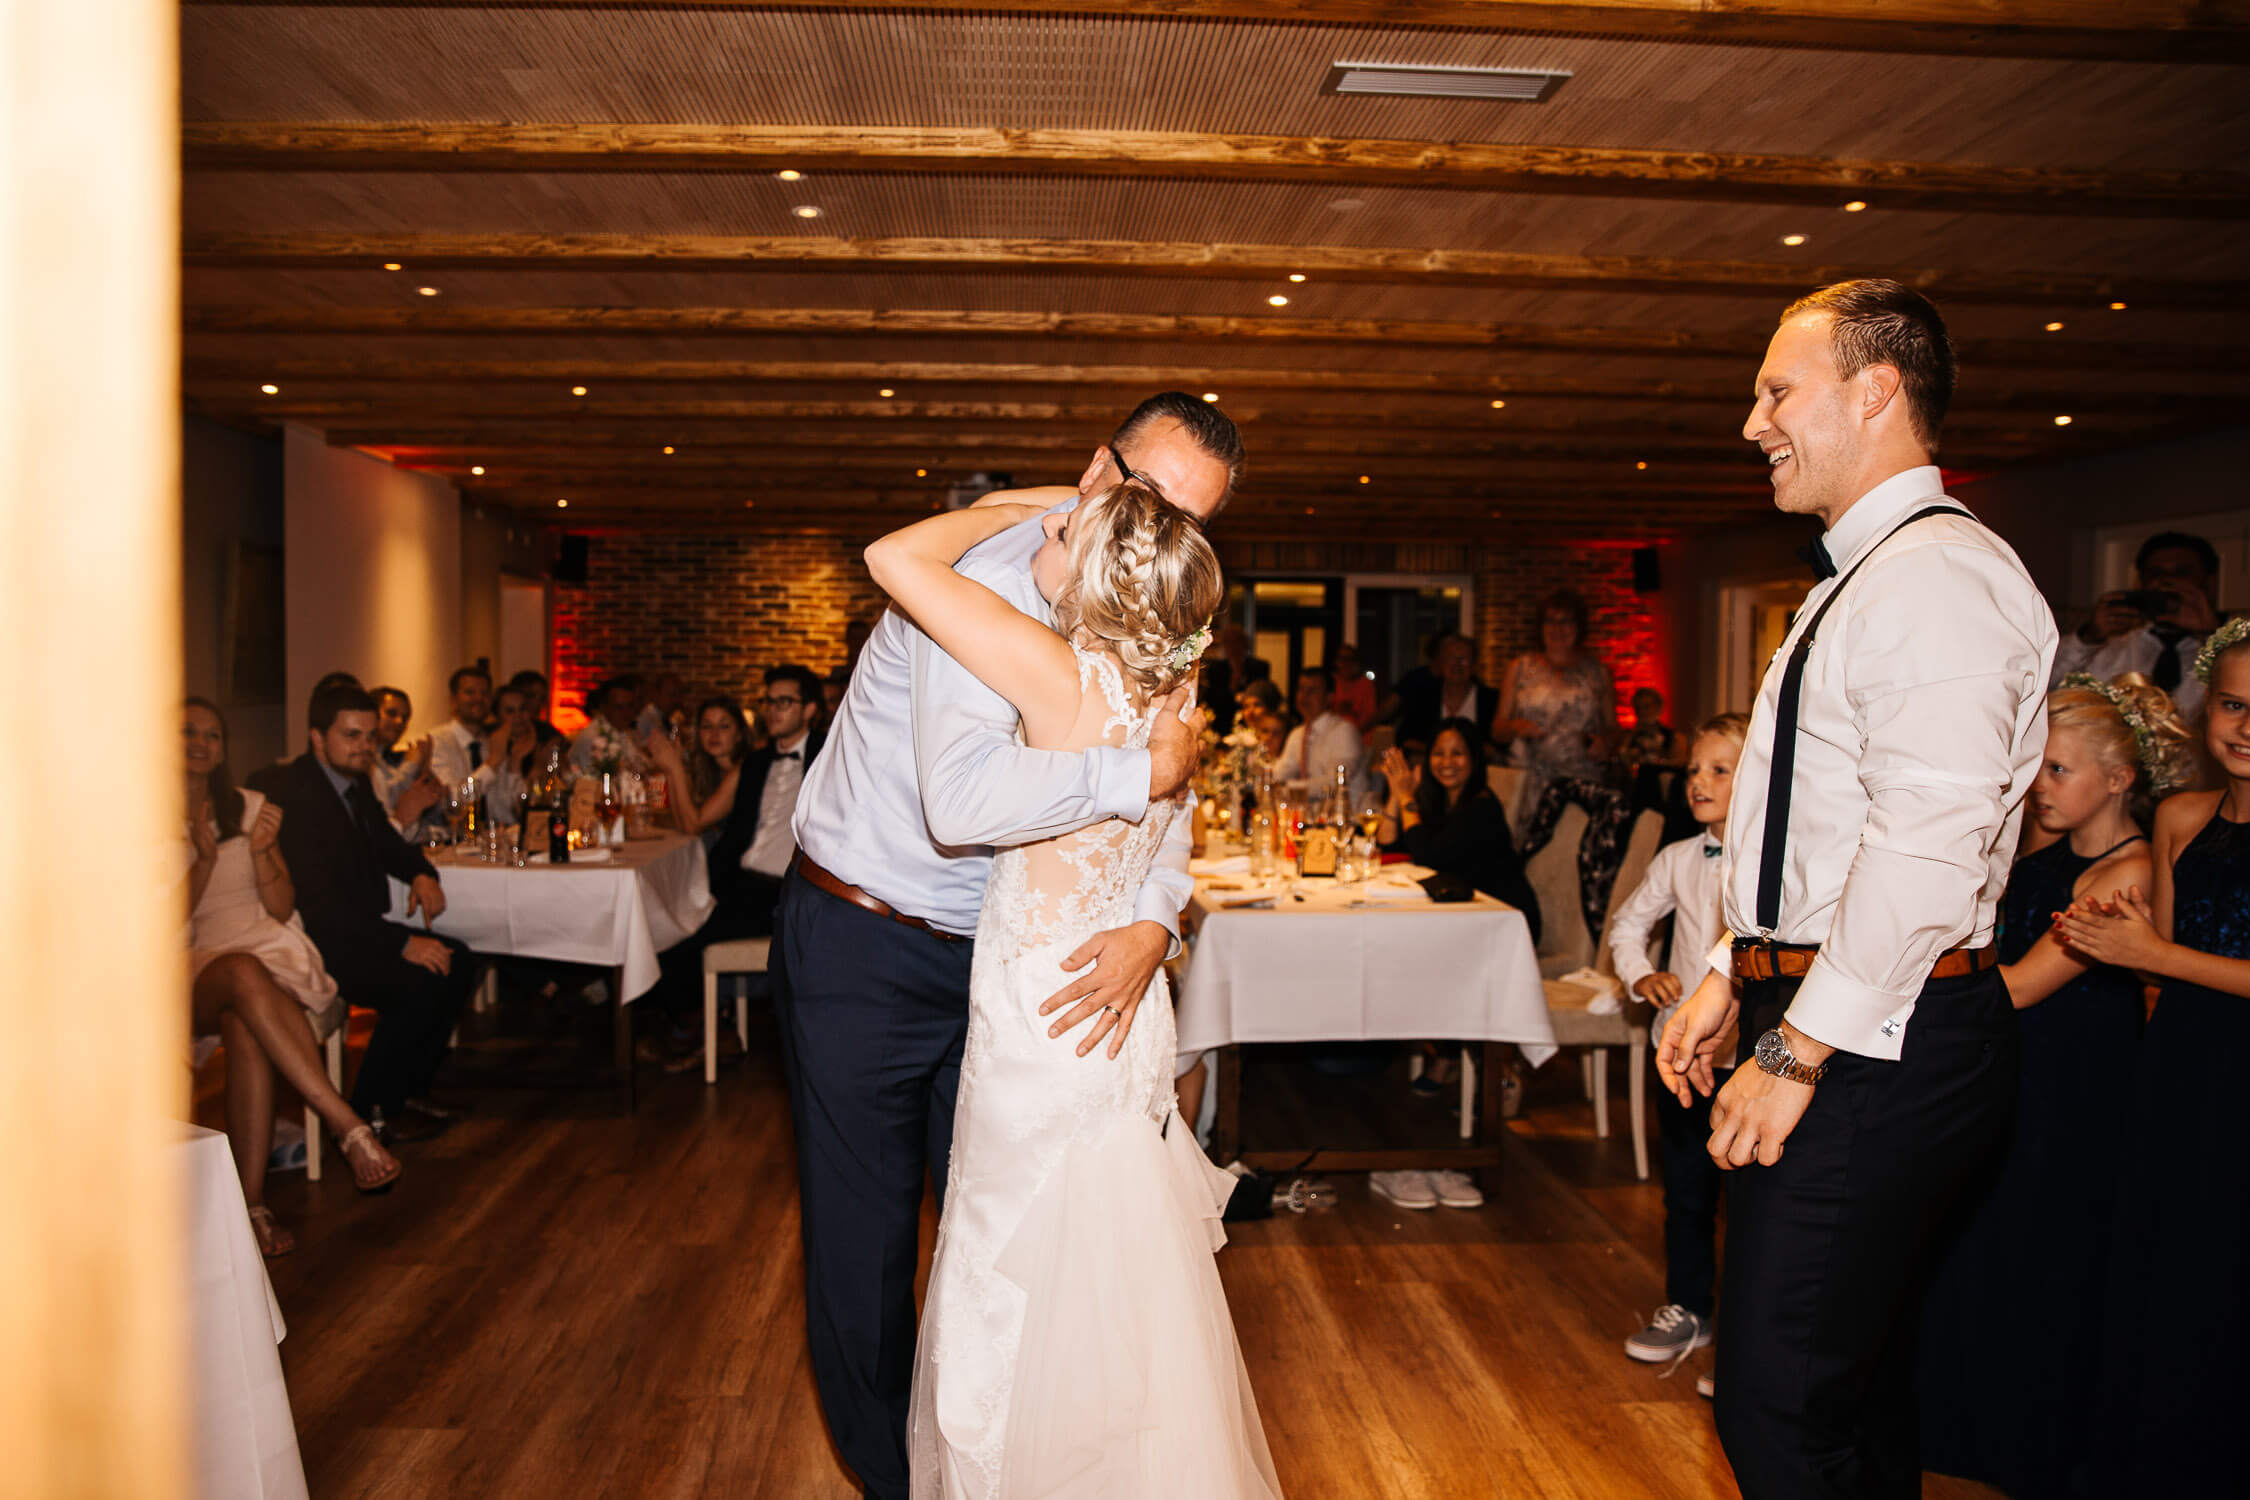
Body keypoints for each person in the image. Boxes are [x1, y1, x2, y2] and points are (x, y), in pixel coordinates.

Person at [778, 391, 1237, 1500]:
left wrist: (1152, 918)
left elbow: (1171, 821)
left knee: (1026, 1253)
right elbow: (964, 802)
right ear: (1095, 475)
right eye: (1150, 500)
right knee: (871, 1250)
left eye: (1194, 521)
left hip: (1016, 976)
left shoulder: (1143, 621)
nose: (1164, 536)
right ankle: (901, 1483)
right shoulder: (979, 589)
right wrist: (1142, 772)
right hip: (868, 942)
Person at [1656, 278, 2057, 1500]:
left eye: (1778, 390)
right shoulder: (1862, 575)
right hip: (1840, 1011)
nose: (1752, 421)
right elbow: (1816, 835)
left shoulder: (1936, 579)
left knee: (1777, 1400)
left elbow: (1927, 849)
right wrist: (1735, 972)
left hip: (1887, 1037)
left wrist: (1797, 1051)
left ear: (1876, 390)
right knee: (1854, 1385)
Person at [864, 478, 1279, 1498]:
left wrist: (999, 501)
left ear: (1093, 577)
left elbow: (893, 560)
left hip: (1045, 1017)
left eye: (1061, 532)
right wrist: (1149, 917)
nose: (1041, 534)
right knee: (1110, 1278)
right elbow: (1170, 823)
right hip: (1123, 1018)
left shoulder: (1057, 674)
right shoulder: (1170, 692)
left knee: (1005, 1256)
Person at [1915, 673, 2187, 1497]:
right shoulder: (2048, 850)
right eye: (2038, 767)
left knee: (2043, 1261)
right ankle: (1964, 1430)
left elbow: (2023, 984)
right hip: (2018, 1073)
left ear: (2120, 779)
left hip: (2074, 1093)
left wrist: (1898, 1002)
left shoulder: (2127, 870)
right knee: (1988, 1248)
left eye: (2059, 770)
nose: (2040, 785)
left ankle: (2026, 1445)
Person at [2053, 620, 2250, 1489]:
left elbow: (2159, 956)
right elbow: (2159, 960)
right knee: (2169, 1268)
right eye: (2235, 704)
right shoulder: (2178, 815)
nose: (2246, 727)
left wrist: (2149, 956)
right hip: (2178, 1068)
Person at [184, 699, 400, 1257]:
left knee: (246, 1021)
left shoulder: (249, 806)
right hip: (182, 962)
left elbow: (280, 906)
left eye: (213, 733)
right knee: (238, 972)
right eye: (188, 732)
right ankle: (346, 1123)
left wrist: (258, 854)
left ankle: (249, 1207)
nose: (202, 742)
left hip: (263, 950)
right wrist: (203, 863)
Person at [248, 682, 478, 1143]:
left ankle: (406, 1090)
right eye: (352, 736)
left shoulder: (352, 783)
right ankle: (367, 1110)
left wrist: (420, 873)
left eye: (369, 737)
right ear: (317, 737)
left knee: (460, 960)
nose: (365, 748)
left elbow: (386, 842)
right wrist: (402, 942)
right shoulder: (295, 793)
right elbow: (316, 903)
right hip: (317, 937)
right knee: (418, 980)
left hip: (357, 928)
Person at [1606, 713, 1745, 1390]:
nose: (1699, 781)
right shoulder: (1679, 858)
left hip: (1749, 1064)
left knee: (1750, 1204)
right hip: (1681, 1056)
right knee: (1687, 1194)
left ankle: (1748, 1339)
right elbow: (1628, 924)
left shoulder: (1771, 867)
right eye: (1694, 769)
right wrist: (1641, 974)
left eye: (1720, 769)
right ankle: (1690, 1308)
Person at [1366, 717, 1540, 1214]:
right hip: (1454, 918)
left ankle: (1479, 1062)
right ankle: (1443, 1051)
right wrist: (1397, 796)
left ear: (1475, 759)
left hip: (1504, 924)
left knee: (1420, 965)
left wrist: (1406, 797)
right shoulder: (1438, 799)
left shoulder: (1482, 806)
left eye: (1457, 753)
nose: (1446, 762)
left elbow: (1429, 853)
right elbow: (1387, 843)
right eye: (1439, 753)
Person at [644, 669, 828, 1069]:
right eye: (769, 701)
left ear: (810, 709)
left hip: (786, 890)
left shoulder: (831, 758)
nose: (773, 710)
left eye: (785, 702)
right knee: (660, 919)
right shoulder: (755, 763)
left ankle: (694, 1031)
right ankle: (698, 1026)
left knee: (681, 941)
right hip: (736, 881)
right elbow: (697, 822)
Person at [2051, 530, 2222, 722]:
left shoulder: (2227, 647)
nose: (2165, 582)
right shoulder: (2112, 643)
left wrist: (2212, 635)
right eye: (2155, 573)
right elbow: (2043, 683)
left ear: (2209, 583)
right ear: (2141, 582)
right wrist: (2090, 636)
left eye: (2181, 573)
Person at [1491, 590, 1618, 809]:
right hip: (1529, 781)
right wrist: (1515, 727)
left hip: (1581, 780)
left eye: (1566, 621)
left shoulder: (1598, 672)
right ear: (1540, 628)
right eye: (1550, 621)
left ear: (1579, 627)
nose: (1557, 629)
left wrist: (1605, 743)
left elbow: (1614, 729)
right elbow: (1497, 729)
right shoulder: (1520, 668)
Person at [644, 694, 752, 843]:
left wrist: (676, 768)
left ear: (739, 734)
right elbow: (681, 823)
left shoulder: (744, 771)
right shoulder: (710, 771)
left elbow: (693, 826)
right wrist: (670, 770)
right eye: (707, 726)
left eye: (724, 726)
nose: (714, 734)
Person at [1274, 663, 1368, 808]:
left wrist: (1289, 788)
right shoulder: (1297, 734)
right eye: (1301, 689)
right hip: (1313, 821)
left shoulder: (1344, 732)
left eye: (1312, 691)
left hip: (1347, 820)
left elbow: (1335, 782)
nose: (1304, 697)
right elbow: (1281, 772)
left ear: (1329, 697)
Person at [1389, 632, 1497, 755]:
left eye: (1464, 659)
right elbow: (1405, 740)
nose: (1457, 665)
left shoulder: (1490, 700)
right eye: (1451, 658)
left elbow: (1496, 748)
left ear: (1474, 665)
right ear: (1441, 664)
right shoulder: (1424, 698)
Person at [570, 677, 647, 774]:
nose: (627, 713)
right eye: (619, 707)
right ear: (604, 707)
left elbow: (639, 766)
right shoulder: (594, 737)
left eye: (630, 706)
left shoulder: (622, 731)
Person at [1328, 641, 1376, 730]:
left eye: (1350, 659)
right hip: (1333, 735)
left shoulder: (1366, 684)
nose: (1346, 664)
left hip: (1360, 738)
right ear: (1336, 662)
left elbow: (1370, 718)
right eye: (1342, 659)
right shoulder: (1331, 682)